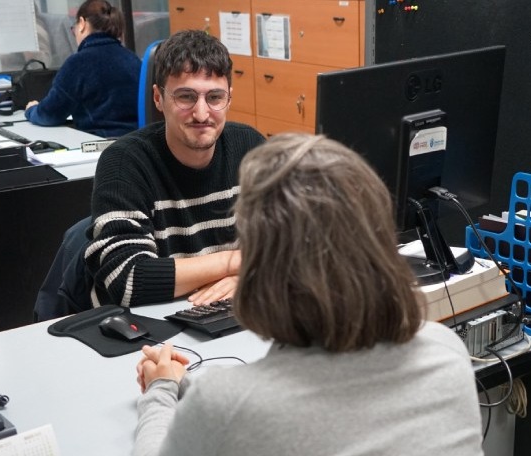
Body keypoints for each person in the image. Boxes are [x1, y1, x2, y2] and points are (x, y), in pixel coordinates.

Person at [132, 133, 486, 456]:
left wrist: (160, 391)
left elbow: (242, 412)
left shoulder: (228, 405)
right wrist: (189, 388)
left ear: (260, 264)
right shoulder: (445, 351)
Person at [84, 30, 265, 309]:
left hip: (222, 314)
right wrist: (241, 263)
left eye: (215, 97)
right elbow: (128, 279)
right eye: (185, 97)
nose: (202, 113)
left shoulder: (250, 148)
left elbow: (304, 244)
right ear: (158, 98)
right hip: (145, 331)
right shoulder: (124, 162)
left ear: (229, 97)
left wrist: (249, 279)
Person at [24, 0, 140, 137]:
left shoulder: (78, 63)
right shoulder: (133, 59)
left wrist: (31, 110)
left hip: (100, 145)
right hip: (136, 143)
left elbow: (49, 114)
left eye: (74, 27)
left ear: (82, 23)